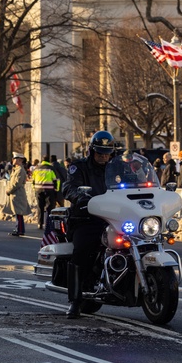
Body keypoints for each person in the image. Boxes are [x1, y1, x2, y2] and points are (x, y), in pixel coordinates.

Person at [62, 130, 115, 319]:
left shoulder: (119, 170)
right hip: (86, 218)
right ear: (92, 151)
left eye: (107, 153)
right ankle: (75, 301)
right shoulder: (79, 168)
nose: (103, 157)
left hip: (115, 218)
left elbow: (135, 184)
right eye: (100, 153)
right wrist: (79, 195)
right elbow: (69, 187)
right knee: (82, 249)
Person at [5, 153, 31, 236]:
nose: (13, 160)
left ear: (20, 160)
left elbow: (17, 183)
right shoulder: (16, 169)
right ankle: (18, 228)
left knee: (18, 212)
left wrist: (9, 190)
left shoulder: (20, 170)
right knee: (17, 213)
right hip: (15, 194)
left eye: (15, 158)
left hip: (18, 194)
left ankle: (19, 229)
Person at [32, 156, 60, 231]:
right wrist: (56, 189)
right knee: (49, 207)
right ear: (49, 161)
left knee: (40, 207)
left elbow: (33, 180)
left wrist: (34, 189)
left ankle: (40, 223)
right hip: (49, 190)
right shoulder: (51, 168)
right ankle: (49, 223)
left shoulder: (36, 168)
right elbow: (56, 180)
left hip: (38, 189)